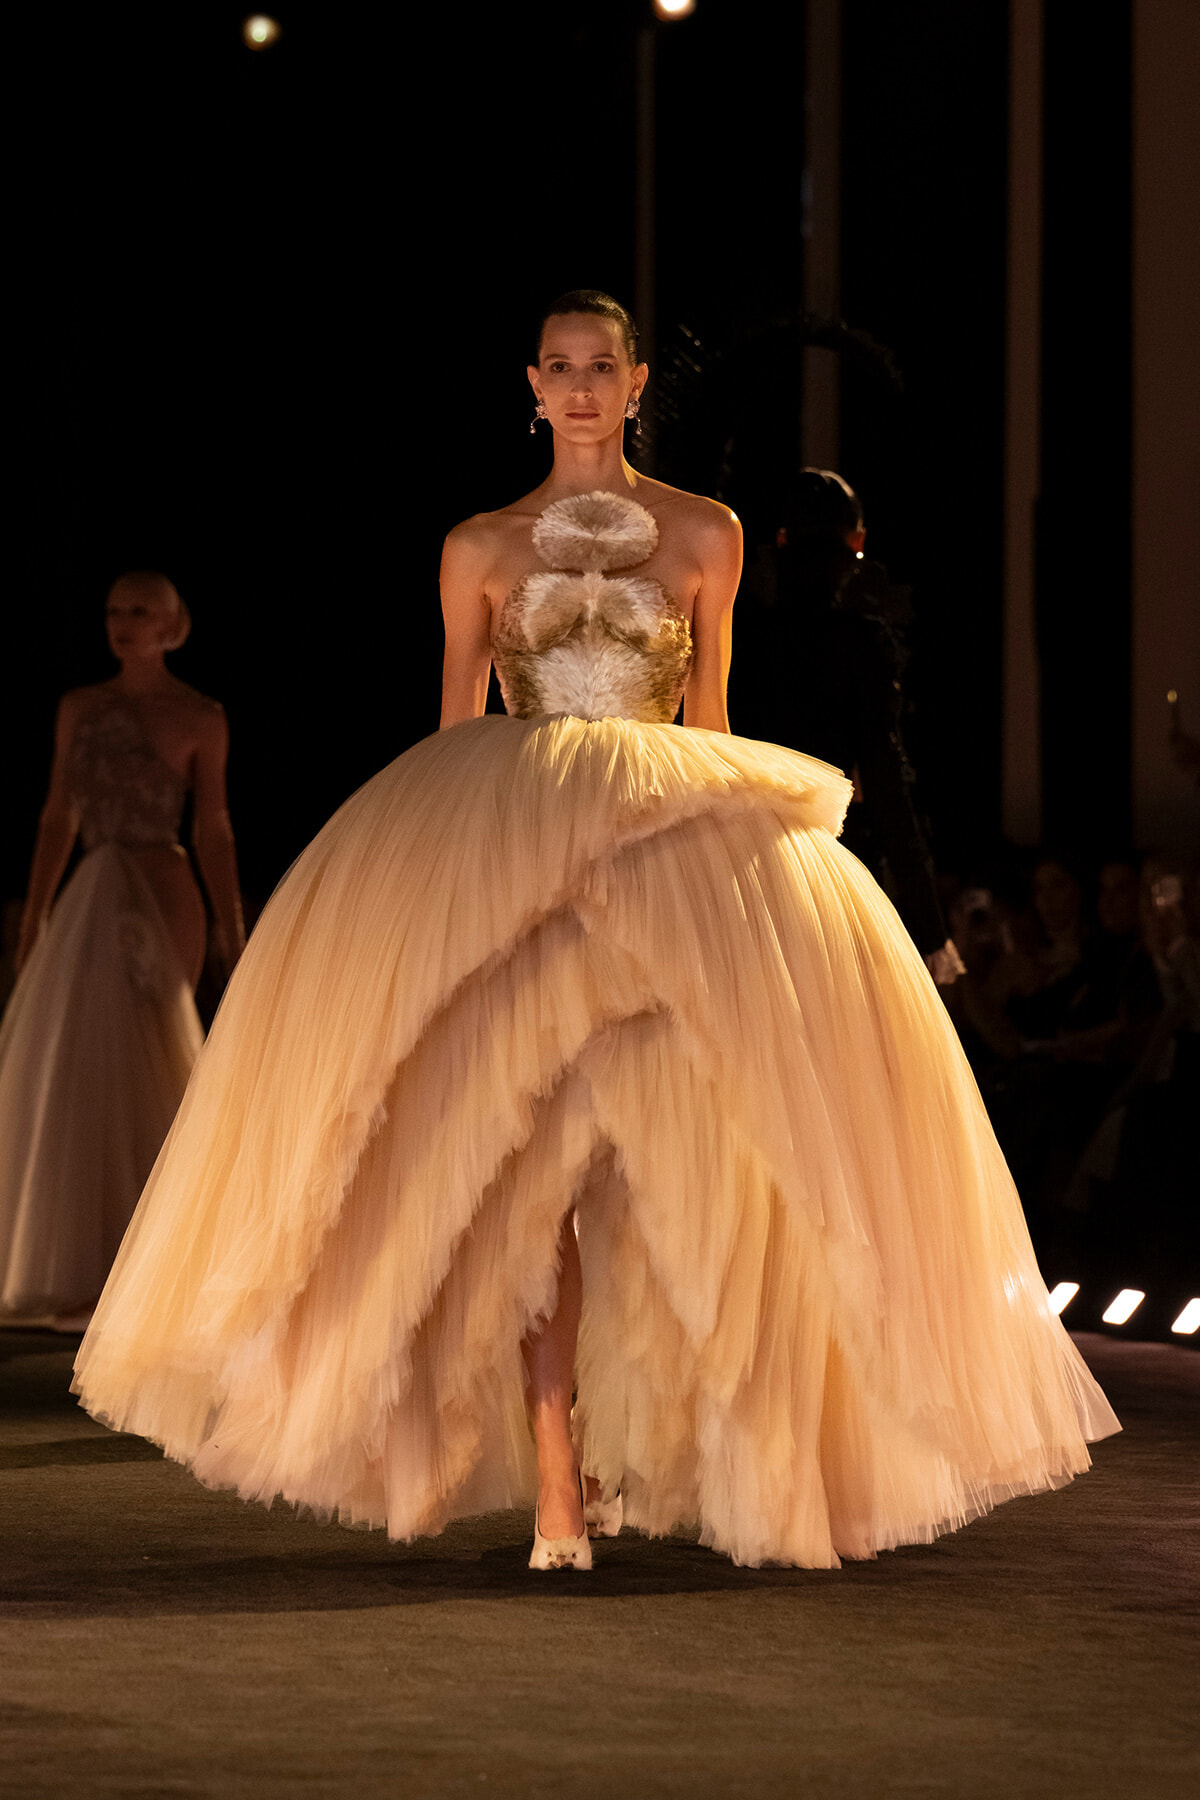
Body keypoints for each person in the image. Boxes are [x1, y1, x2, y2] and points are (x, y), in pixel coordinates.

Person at [74, 293, 1117, 1572]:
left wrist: (757, 884)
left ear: (632, 386)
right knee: (532, 1170)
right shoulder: (478, 545)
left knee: (661, 1157)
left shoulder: (704, 531)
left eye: (601, 367)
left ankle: (637, 1448)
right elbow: (460, 729)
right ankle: (558, 1465)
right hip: (509, 849)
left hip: (662, 854)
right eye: (558, 367)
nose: (579, 386)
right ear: (531, 382)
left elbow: (713, 712)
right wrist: (429, 900)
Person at [0, 571, 244, 1327]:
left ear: (174, 625)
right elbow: (56, 816)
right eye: (114, 610)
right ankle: (89, 1263)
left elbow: (212, 826)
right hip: (91, 888)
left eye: (141, 611)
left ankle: (164, 1260)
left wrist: (231, 920)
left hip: (161, 884)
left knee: (156, 1052)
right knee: (82, 1065)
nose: (124, 622)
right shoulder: (81, 708)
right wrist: (36, 913)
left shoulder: (199, 716)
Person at [748, 468, 961, 985]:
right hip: (832, 857)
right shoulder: (861, 646)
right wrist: (930, 930)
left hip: (742, 865)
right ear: (857, 542)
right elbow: (887, 783)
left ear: (781, 540)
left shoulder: (744, 638)